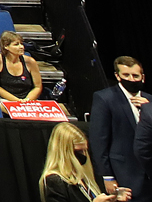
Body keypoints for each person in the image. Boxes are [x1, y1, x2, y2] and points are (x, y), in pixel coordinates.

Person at [90, 56, 146, 199]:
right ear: (117, 76)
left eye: (135, 76)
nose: (131, 79)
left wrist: (149, 109)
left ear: (143, 77)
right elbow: (98, 140)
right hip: (123, 173)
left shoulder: (149, 101)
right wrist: (107, 176)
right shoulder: (105, 98)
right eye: (126, 75)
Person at [42, 121, 118, 202]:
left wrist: (113, 197)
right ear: (64, 153)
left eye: (85, 151)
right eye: (79, 151)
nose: (84, 155)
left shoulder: (85, 176)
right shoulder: (55, 181)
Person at [0, 30, 42, 106]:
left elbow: (37, 87)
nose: (21, 47)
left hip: (28, 100)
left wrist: (27, 100)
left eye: (21, 44)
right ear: (6, 46)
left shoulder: (30, 61)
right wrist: (17, 101)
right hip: (5, 99)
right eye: (16, 44)